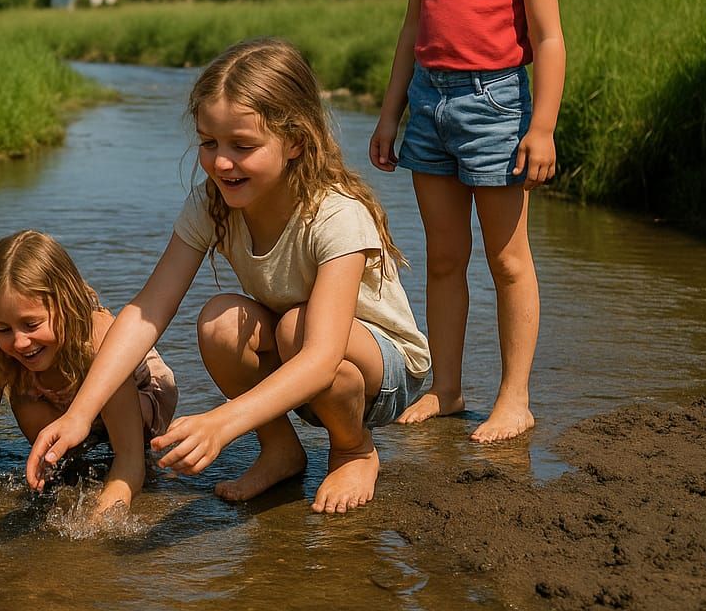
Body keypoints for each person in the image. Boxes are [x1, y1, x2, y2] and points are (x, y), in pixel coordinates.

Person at [27, 39, 430, 514]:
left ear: (296, 141)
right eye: (208, 142)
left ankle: (353, 448)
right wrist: (79, 413)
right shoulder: (212, 203)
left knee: (294, 326)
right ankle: (280, 450)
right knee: (219, 321)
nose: (221, 162)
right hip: (297, 351)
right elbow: (145, 311)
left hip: (381, 373)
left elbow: (321, 358)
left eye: (243, 146)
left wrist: (221, 423)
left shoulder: (335, 214)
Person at [369, 0, 565, 444]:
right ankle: (447, 390)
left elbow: (548, 38)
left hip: (497, 107)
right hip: (429, 104)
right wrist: (391, 113)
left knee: (509, 259)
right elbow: (409, 30)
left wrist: (541, 128)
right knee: (445, 258)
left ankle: (515, 397)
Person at [0, 231, 177, 519]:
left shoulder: (98, 338)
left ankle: (111, 440)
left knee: (130, 443)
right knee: (28, 403)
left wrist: (102, 514)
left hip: (141, 394)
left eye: (31, 324)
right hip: (64, 405)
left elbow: (129, 460)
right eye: (4, 329)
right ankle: (63, 464)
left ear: (67, 305)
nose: (20, 342)